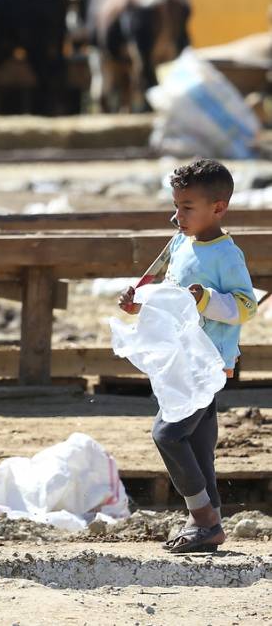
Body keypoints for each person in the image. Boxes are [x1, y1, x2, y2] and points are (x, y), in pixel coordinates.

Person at [118, 159, 256, 554]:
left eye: (187, 207)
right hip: (181, 359)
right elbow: (170, 300)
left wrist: (207, 299)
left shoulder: (227, 256)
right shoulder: (180, 243)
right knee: (197, 447)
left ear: (218, 208)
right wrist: (139, 306)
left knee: (167, 434)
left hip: (207, 364)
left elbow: (246, 306)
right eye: (176, 206)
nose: (177, 215)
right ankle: (209, 523)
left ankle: (203, 519)